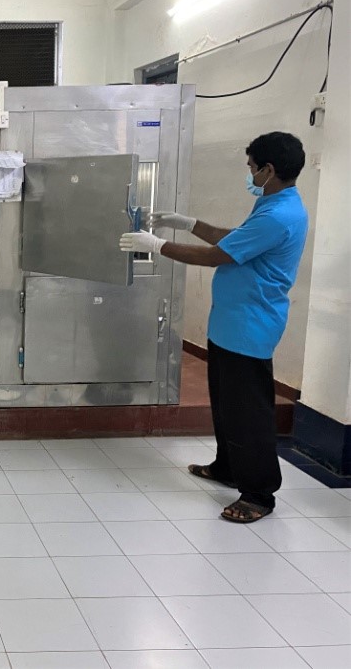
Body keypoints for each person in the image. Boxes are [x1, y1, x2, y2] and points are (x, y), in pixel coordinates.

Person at [119, 132, 308, 523]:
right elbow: (234, 239)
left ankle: (258, 494)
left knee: (248, 413)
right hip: (230, 323)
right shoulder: (272, 204)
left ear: (269, 169)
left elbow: (217, 256)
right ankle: (228, 467)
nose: (250, 174)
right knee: (226, 406)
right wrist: (188, 223)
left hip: (251, 326)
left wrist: (157, 246)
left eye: (252, 167)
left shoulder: (280, 215)